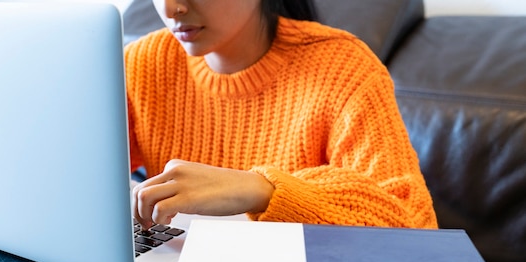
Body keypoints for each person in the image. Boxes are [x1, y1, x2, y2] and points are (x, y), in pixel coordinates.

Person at [126, 0, 438, 231]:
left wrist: (260, 190)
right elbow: (85, 184)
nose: (170, 8)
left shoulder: (345, 69)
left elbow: (414, 225)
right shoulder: (142, 64)